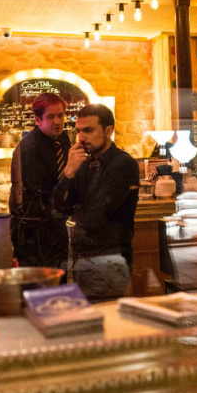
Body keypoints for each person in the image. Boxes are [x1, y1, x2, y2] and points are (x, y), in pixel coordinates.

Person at [52, 104, 140, 302]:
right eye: (79, 131)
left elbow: (96, 216)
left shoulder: (123, 164)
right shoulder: (84, 163)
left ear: (108, 131)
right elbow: (57, 208)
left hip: (110, 261)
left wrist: (76, 212)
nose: (81, 137)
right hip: (82, 260)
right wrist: (68, 172)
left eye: (88, 130)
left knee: (109, 326)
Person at [9, 93, 71, 269]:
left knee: (59, 287)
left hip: (54, 225)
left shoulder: (63, 139)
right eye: (50, 117)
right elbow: (41, 195)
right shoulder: (30, 149)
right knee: (40, 288)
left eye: (60, 115)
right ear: (38, 120)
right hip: (33, 230)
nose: (57, 122)